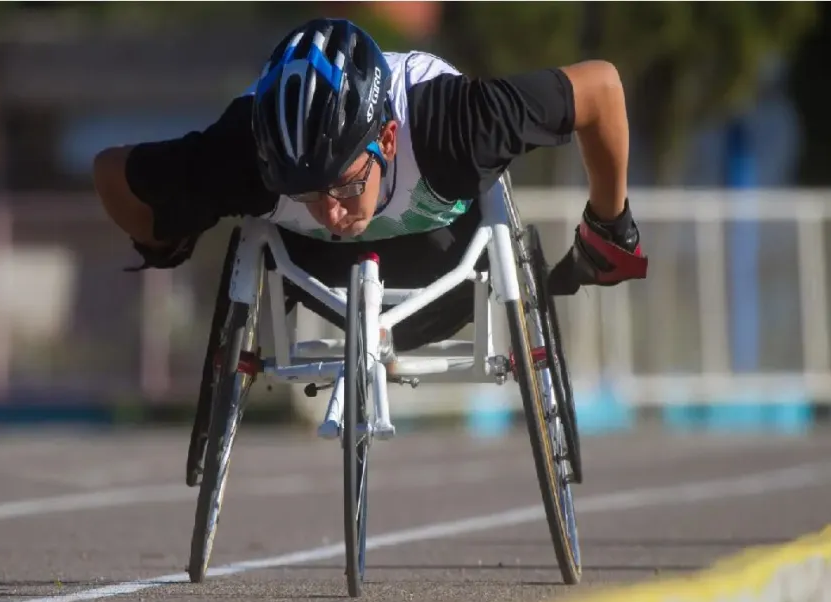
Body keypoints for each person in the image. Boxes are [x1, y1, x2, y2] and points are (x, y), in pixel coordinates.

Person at [93, 17, 648, 355]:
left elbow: (600, 88)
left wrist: (609, 222)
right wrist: (165, 239)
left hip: (450, 273)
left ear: (386, 138)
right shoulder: (239, 155)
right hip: (322, 280)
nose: (331, 213)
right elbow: (111, 172)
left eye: (342, 185)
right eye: (306, 193)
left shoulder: (454, 124)